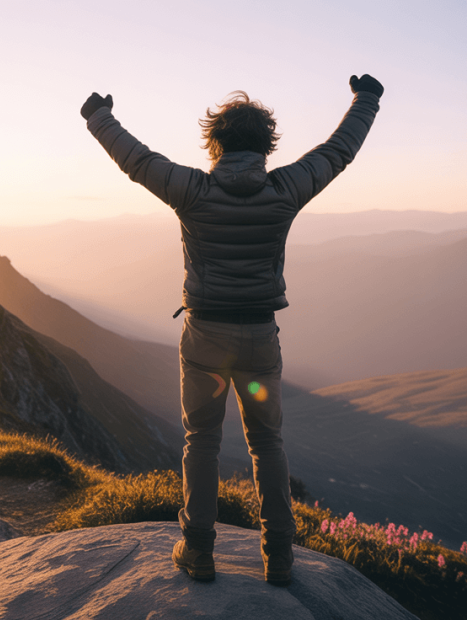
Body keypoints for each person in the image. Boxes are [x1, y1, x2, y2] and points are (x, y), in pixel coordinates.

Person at [81, 75, 382, 585]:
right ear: (266, 144)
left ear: (214, 142)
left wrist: (98, 116)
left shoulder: (192, 192)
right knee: (267, 442)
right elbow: (338, 152)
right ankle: (279, 556)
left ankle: (198, 551)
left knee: (201, 440)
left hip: (205, 340)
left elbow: (137, 160)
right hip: (259, 340)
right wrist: (367, 99)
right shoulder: (286, 188)